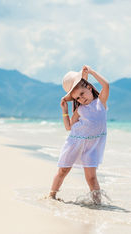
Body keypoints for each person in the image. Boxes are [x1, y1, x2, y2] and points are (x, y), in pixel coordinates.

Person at [48, 65, 109, 205]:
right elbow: (69, 127)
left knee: (91, 177)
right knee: (63, 170)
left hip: (92, 146)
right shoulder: (80, 109)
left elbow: (106, 85)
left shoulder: (101, 102)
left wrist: (92, 72)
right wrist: (65, 110)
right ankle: (51, 195)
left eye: (82, 94)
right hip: (75, 142)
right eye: (77, 98)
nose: (81, 99)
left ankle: (97, 203)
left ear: (88, 87)